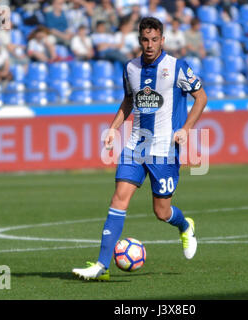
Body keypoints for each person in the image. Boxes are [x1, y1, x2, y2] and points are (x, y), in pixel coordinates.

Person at [72, 17, 207, 281]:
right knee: (118, 198)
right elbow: (128, 100)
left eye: (154, 39)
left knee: (161, 211)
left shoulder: (177, 67)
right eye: (145, 39)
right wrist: (113, 128)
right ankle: (101, 266)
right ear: (139, 40)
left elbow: (201, 97)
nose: (149, 45)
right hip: (135, 146)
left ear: (162, 40)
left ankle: (184, 225)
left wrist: (186, 128)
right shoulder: (130, 68)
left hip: (164, 150)